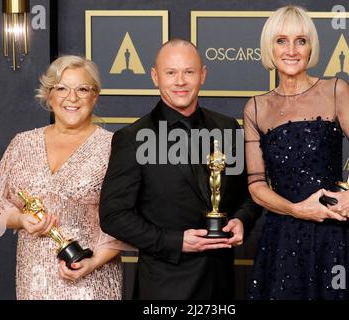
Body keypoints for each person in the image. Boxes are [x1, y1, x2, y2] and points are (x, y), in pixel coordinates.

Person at [99, 39, 261, 299]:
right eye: (171, 72)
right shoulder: (132, 138)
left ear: (203, 75)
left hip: (220, 284)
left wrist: (242, 220)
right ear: (155, 76)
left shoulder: (228, 128)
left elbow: (250, 195)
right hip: (164, 287)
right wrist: (175, 242)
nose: (180, 81)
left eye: (189, 72)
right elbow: (113, 215)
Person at [243, 5, 349, 299]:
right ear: (270, 47)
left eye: (300, 41)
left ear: (310, 47)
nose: (291, 50)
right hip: (282, 236)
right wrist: (295, 209)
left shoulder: (336, 90)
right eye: (282, 40)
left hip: (334, 232)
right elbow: (255, 186)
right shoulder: (255, 107)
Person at [0, 55, 131, 299]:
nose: (71, 98)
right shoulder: (22, 143)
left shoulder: (114, 147)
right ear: (49, 95)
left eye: (82, 89)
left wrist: (93, 262)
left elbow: (126, 217)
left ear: (95, 96)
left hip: (91, 279)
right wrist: (21, 219)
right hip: (34, 278)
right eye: (61, 88)